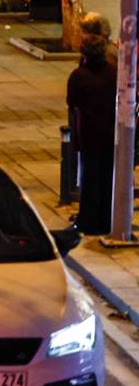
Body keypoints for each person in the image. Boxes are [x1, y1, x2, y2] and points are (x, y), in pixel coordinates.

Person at [68, 33, 117, 235]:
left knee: (89, 177)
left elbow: (71, 102)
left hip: (89, 133)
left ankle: (88, 220)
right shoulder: (114, 73)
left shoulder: (78, 76)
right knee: (107, 176)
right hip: (111, 133)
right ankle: (105, 219)